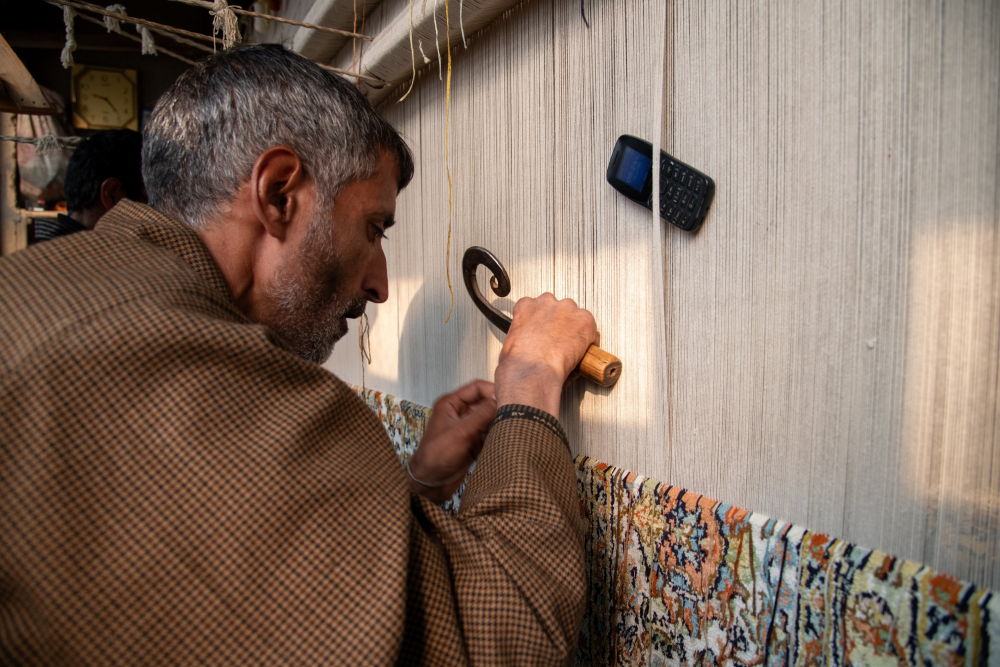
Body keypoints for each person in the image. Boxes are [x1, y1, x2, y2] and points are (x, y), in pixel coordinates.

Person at [0, 45, 599, 664]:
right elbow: (501, 636)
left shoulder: (61, 294)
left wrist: (415, 488)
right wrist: (530, 382)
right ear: (280, 193)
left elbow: (251, 587)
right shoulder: (189, 367)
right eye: (373, 229)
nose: (380, 285)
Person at [33, 128, 146, 242]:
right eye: (150, 203)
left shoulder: (50, 247)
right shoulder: (86, 256)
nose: (155, 220)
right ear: (112, 195)